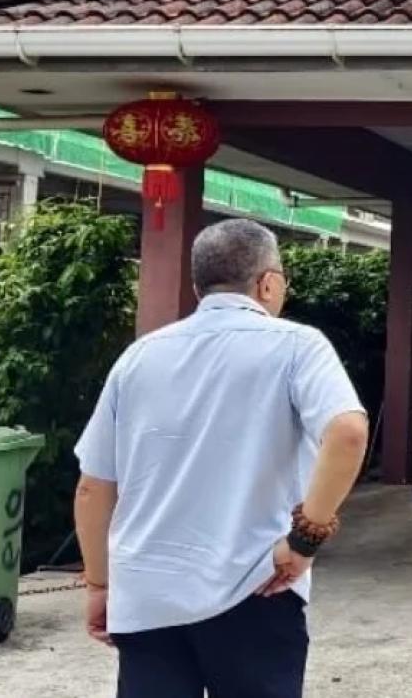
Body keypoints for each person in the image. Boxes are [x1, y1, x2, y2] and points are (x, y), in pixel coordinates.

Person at [74, 219, 370, 698]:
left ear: (199, 287)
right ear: (267, 283)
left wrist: (99, 586)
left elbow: (93, 487)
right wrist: (305, 539)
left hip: (148, 597)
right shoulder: (297, 345)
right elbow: (348, 432)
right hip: (257, 587)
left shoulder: (138, 358)